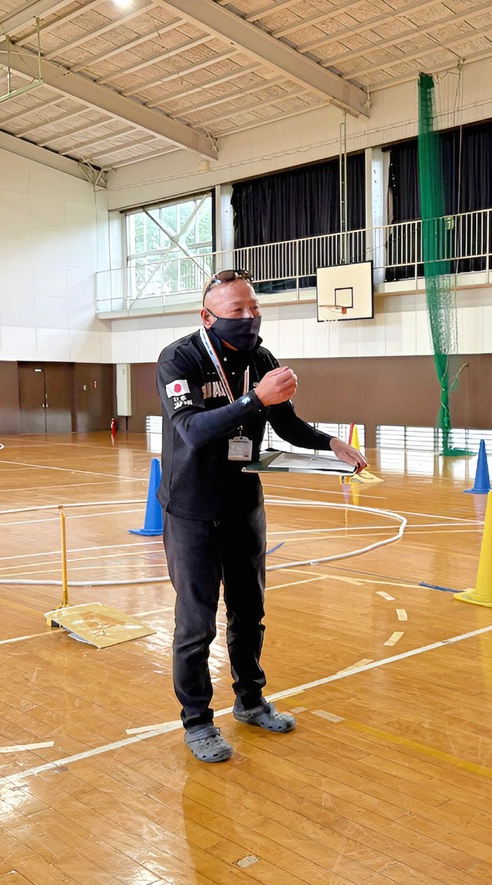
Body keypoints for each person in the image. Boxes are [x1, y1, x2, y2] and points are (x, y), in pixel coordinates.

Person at [156, 268, 367, 763]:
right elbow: (191, 429)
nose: (249, 318)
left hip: (244, 509)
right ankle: (198, 721)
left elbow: (285, 423)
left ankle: (250, 701)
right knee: (196, 625)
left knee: (249, 615)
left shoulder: (262, 358)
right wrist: (256, 397)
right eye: (236, 311)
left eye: (254, 308)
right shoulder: (178, 359)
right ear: (207, 317)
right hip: (191, 512)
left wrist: (328, 442)